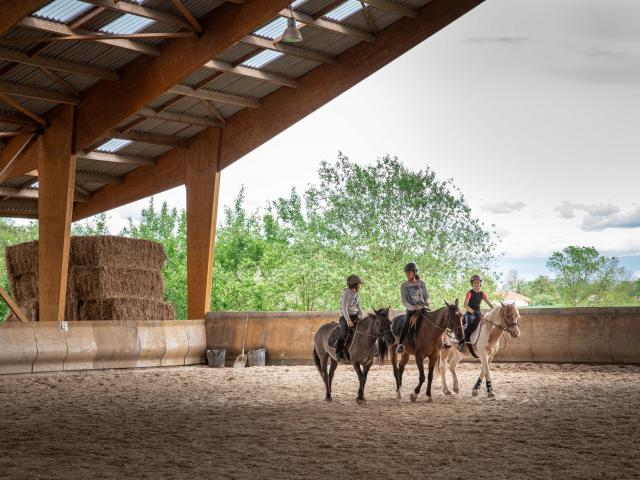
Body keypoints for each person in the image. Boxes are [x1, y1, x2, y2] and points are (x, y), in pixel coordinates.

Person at [396, 262, 429, 354]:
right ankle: (401, 345)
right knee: (406, 324)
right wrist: (411, 307)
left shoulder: (421, 283)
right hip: (411, 310)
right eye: (406, 273)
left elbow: (426, 296)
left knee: (434, 320)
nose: (407, 274)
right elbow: (404, 300)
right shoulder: (404, 285)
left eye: (409, 273)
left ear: (414, 273)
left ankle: (442, 341)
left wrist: (427, 302)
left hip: (422, 308)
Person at [458, 274, 494, 352]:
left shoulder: (482, 294)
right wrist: (473, 312)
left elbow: (489, 303)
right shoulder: (469, 292)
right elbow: (465, 305)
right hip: (470, 313)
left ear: (480, 283)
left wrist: (494, 309)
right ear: (472, 284)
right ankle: (462, 342)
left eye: (477, 283)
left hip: (478, 313)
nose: (476, 284)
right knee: (468, 328)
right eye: (474, 283)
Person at [334, 274, 364, 361]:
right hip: (345, 316)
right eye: (359, 284)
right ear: (354, 284)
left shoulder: (356, 294)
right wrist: (348, 320)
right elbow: (344, 308)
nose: (360, 286)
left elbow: (358, 306)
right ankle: (338, 352)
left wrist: (362, 315)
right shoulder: (346, 294)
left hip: (355, 315)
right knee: (344, 333)